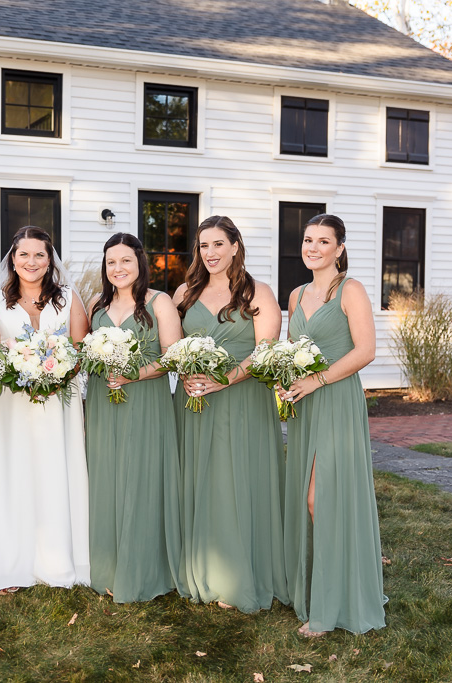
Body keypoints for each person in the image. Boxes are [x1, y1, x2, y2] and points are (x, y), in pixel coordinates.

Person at [172, 216, 289, 612]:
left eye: (219, 244)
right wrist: (187, 372)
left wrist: (225, 380)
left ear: (236, 246)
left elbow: (265, 351)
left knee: (238, 481)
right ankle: (204, 567)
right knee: (201, 480)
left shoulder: (259, 293)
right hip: (195, 403)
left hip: (242, 402)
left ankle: (242, 574)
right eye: (204, 246)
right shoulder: (184, 293)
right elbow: (171, 346)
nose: (211, 253)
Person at [281, 213, 386, 636]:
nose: (313, 247)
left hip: (337, 399)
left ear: (339, 249)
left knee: (320, 498)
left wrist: (317, 379)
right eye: (308, 240)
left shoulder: (351, 290)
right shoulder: (295, 294)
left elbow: (366, 351)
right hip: (306, 403)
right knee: (312, 498)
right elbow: (293, 349)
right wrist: (287, 378)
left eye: (324, 241)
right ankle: (324, 588)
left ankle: (331, 605)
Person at [0, 226, 91, 591]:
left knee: (55, 468)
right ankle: (10, 559)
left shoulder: (69, 298)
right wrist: (20, 368)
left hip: (58, 402)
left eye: (39, 255)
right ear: (12, 258)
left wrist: (55, 373)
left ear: (50, 260)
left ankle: (57, 558)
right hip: (10, 404)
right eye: (23, 254)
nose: (31, 262)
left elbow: (79, 349)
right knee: (13, 471)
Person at [85, 232, 183, 603]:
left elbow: (172, 356)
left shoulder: (160, 301)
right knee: (107, 475)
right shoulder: (95, 303)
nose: (118, 268)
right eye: (111, 261)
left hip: (144, 401)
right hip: (103, 401)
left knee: (140, 477)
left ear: (140, 262)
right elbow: (81, 349)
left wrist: (134, 374)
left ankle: (142, 567)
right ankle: (107, 565)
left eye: (126, 260)